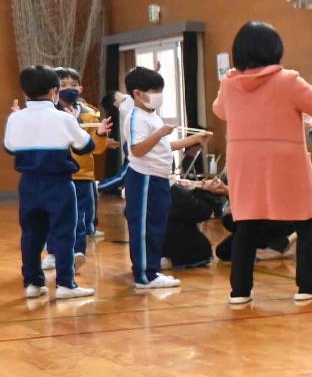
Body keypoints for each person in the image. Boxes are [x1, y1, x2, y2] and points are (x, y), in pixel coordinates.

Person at [211, 21, 312, 306]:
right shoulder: (288, 80)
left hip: (244, 167)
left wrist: (232, 80)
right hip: (286, 165)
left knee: (245, 227)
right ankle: (306, 288)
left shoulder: (229, 84)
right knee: (308, 224)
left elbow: (219, 110)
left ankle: (240, 292)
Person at [6, 66, 99, 300]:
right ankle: (66, 284)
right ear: (54, 91)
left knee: (31, 234)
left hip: (28, 184)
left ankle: (33, 284)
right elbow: (87, 146)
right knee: (63, 233)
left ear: (25, 91)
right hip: (59, 184)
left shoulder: (15, 118)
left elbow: (9, 147)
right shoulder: (63, 118)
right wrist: (73, 124)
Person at [120, 66, 208, 292]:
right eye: (154, 90)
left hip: (158, 179)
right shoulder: (136, 116)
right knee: (144, 227)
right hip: (144, 178)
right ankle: (144, 275)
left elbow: (162, 147)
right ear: (138, 93)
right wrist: (160, 133)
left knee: (157, 225)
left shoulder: (151, 116)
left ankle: (150, 270)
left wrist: (194, 139)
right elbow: (137, 149)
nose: (159, 94)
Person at [54, 68, 107, 254]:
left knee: (80, 218)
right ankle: (54, 253)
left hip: (83, 174)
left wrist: (100, 134)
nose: (69, 88)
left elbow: (98, 148)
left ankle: (77, 254)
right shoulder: (49, 114)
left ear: (81, 88)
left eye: (74, 85)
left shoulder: (91, 114)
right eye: (63, 85)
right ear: (53, 89)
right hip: (57, 174)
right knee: (57, 216)